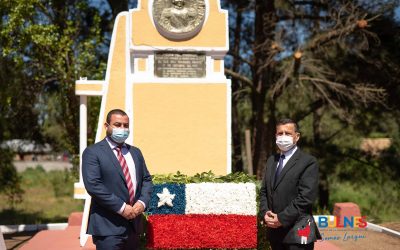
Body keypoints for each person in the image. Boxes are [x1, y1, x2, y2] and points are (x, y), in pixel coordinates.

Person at [82, 109, 153, 250]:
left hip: (133, 227)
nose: (122, 129)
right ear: (106, 126)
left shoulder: (135, 152)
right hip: (108, 227)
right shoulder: (93, 152)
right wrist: (121, 207)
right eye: (117, 124)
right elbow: (93, 185)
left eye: (126, 126)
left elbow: (146, 180)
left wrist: (142, 203)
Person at [259, 118, 320, 250]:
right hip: (275, 234)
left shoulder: (308, 162)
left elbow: (306, 198)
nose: (283, 137)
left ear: (297, 137)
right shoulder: (271, 161)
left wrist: (281, 218)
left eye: (288, 133)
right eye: (280, 133)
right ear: (275, 136)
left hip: (298, 232)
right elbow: (264, 191)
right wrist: (265, 213)